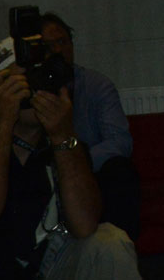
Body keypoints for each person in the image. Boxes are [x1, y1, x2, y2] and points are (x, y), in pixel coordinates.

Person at [0, 37, 140, 279]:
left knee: (110, 243)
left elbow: (84, 225)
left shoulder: (65, 146)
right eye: (25, 79)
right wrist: (3, 123)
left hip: (41, 267)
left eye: (43, 77)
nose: (37, 88)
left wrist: (63, 136)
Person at [39, 12, 140, 240]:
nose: (57, 51)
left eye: (62, 42)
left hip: (92, 175)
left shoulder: (97, 86)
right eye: (48, 46)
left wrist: (75, 160)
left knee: (121, 171)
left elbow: (120, 142)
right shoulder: (31, 93)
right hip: (45, 179)